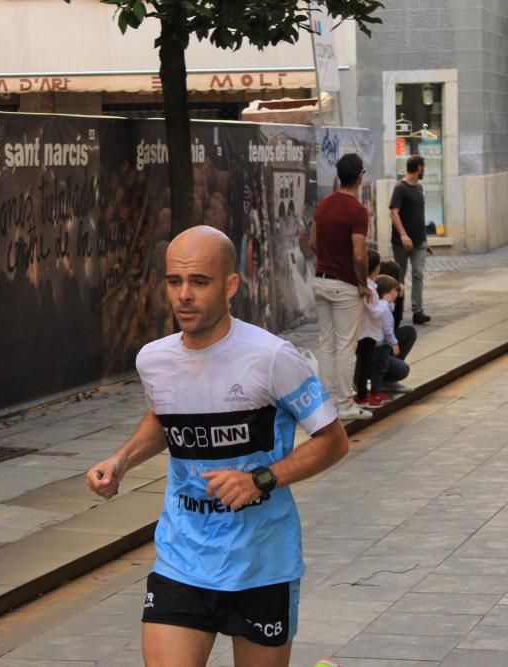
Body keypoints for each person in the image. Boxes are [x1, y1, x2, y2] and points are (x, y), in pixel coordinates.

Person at [86, 225, 349, 667]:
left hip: (262, 562)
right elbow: (164, 418)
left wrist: (260, 479)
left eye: (199, 282)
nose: (184, 295)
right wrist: (121, 460)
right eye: (174, 282)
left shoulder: (272, 357)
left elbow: (333, 440)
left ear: (230, 285)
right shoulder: (154, 360)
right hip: (182, 558)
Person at [310, 152, 372, 421]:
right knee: (347, 345)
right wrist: (362, 283)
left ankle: (325, 403)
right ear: (360, 176)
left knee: (326, 344)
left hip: (320, 280)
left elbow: (312, 242)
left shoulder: (324, 204)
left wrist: (327, 259)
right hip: (345, 285)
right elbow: (359, 253)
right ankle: (345, 403)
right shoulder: (357, 211)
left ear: (339, 176)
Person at [389, 155, 431, 325]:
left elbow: (419, 216)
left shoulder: (419, 188)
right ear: (419, 168)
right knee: (399, 277)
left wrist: (425, 240)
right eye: (424, 167)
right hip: (402, 243)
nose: (424, 170)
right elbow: (393, 212)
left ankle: (417, 311)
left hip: (420, 241)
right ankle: (397, 312)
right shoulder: (400, 188)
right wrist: (403, 235)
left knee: (418, 274)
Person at [367, 275, 409, 403]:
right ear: (388, 292)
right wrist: (394, 343)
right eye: (395, 290)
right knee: (380, 368)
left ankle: (376, 391)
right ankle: (376, 392)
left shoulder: (382, 305)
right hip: (381, 345)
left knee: (380, 367)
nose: (397, 293)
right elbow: (387, 329)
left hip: (378, 344)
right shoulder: (384, 308)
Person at [353, 251, 383, 407]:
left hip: (363, 330)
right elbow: (375, 311)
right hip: (367, 332)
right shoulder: (369, 289)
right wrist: (386, 303)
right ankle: (362, 395)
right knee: (364, 364)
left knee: (362, 362)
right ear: (376, 269)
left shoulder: (362, 285)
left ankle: (361, 392)